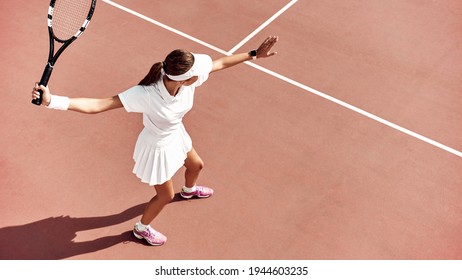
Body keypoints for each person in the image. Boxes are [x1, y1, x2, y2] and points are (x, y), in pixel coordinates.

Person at [32, 35, 279, 246]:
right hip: (157, 147)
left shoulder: (187, 78)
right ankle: (141, 229)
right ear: (182, 78)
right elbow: (99, 104)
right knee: (164, 197)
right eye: (195, 75)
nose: (201, 74)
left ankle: (190, 190)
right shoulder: (145, 95)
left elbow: (221, 62)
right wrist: (51, 102)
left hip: (176, 135)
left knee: (196, 166)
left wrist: (255, 53)